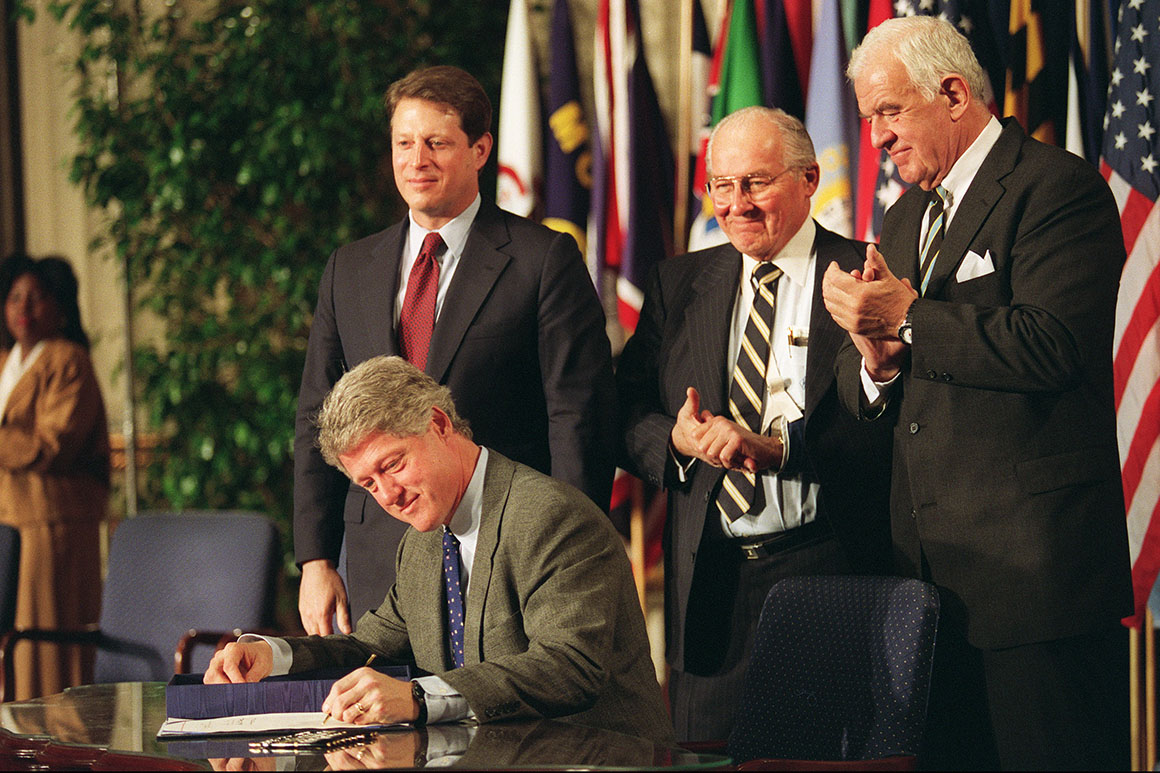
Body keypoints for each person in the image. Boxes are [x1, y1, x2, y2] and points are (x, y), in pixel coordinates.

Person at [821, 16, 1131, 770]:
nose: (876, 138)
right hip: (928, 586)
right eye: (867, 119)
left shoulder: (1056, 188)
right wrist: (877, 362)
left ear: (954, 94)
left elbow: (1054, 344)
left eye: (889, 112)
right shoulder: (903, 216)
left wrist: (907, 318)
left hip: (1036, 586)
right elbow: (877, 383)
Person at [294, 65, 616, 635]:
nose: (416, 160)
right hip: (378, 553)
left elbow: (578, 418)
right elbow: (316, 416)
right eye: (404, 143)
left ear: (480, 149)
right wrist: (316, 559)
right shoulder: (349, 269)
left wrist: (568, 546)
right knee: (381, 691)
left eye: (436, 143)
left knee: (497, 693)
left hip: (505, 546)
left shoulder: (543, 261)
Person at [211, 355, 673, 747]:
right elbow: (369, 647)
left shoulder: (550, 516)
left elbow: (569, 666)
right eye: (368, 484)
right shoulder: (422, 543)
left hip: (594, 756)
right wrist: (272, 655)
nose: (388, 495)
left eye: (393, 464)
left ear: (438, 423)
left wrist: (417, 696)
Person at [616, 106, 893, 742]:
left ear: (809, 179)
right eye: (722, 185)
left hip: (831, 569)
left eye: (757, 183)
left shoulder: (867, 274)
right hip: (709, 591)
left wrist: (779, 450)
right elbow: (620, 414)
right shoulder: (679, 283)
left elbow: (894, 423)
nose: (736, 204)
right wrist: (675, 441)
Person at [0, 255, 108, 700]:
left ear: (59, 305)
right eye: (14, 297)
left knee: (43, 648)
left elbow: (52, 444)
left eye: (37, 296)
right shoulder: (6, 362)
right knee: (11, 646)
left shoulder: (68, 360)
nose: (24, 307)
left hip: (51, 524)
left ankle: (52, 735)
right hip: (9, 518)